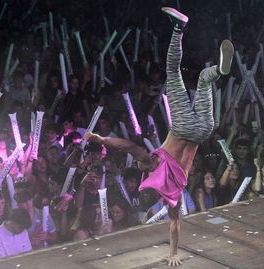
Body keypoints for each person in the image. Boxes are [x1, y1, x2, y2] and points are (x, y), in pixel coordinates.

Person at [84, 7, 234, 266]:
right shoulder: (152, 166)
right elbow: (129, 146)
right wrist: (100, 139)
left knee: (204, 80)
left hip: (203, 131)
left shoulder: (173, 195)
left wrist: (174, 253)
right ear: (146, 185)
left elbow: (175, 225)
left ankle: (219, 73)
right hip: (184, 127)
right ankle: (179, 28)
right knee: (173, 71)